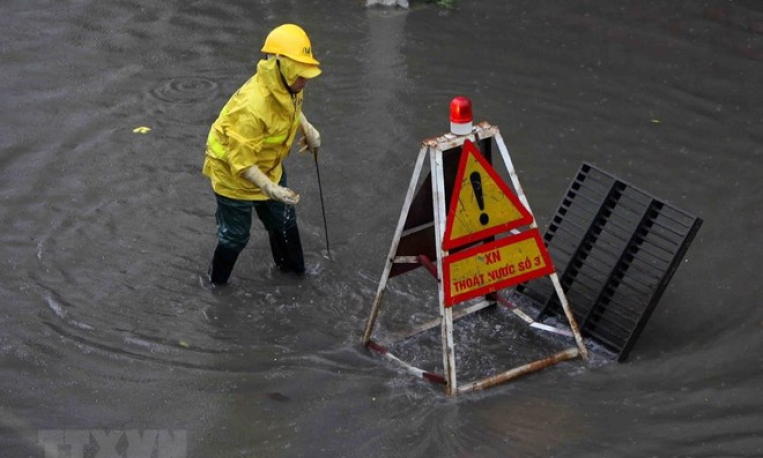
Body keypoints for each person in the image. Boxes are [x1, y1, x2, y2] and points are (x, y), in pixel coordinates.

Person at [203, 24, 322, 285]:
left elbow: (290, 107)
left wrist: (307, 127)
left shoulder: (289, 84)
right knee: (235, 236)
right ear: (280, 65)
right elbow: (242, 163)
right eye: (300, 74)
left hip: (269, 166)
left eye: (306, 73)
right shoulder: (251, 107)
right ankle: (215, 286)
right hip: (232, 175)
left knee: (284, 220)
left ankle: (293, 274)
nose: (305, 80)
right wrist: (269, 188)